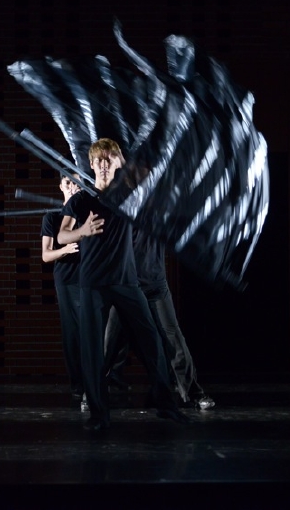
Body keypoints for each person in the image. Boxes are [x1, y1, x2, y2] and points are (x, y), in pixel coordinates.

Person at [58, 138, 189, 430]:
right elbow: (62, 236)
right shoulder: (81, 200)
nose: (103, 165)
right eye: (98, 160)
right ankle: (98, 415)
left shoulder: (131, 197)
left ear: (118, 162)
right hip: (93, 284)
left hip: (127, 282)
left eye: (109, 159)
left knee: (153, 343)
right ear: (91, 165)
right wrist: (82, 230)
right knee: (93, 352)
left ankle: (166, 405)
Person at [104, 229, 215, 410]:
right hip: (127, 287)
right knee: (110, 343)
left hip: (156, 286)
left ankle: (193, 392)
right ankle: (92, 393)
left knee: (174, 339)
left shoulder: (158, 218)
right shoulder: (122, 219)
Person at [41, 173, 83, 404]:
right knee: (72, 332)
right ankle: (77, 383)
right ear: (61, 186)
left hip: (90, 278)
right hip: (67, 279)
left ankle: (103, 380)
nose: (72, 186)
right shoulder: (52, 217)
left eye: (76, 183)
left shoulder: (86, 212)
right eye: (68, 182)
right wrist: (64, 250)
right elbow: (46, 255)